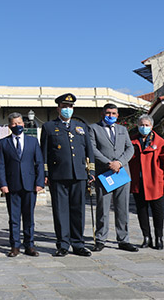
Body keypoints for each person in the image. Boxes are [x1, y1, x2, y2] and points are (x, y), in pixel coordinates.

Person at [40, 93, 95, 257]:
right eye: (64, 107)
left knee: (78, 211)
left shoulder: (81, 127)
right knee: (60, 211)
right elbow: (44, 153)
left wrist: (91, 171)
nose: (67, 109)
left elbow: (89, 151)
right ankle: (63, 244)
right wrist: (45, 173)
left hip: (79, 175)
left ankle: (78, 244)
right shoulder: (49, 127)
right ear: (58, 108)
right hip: (58, 175)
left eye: (70, 107)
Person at [89, 103, 137, 252]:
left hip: (121, 173)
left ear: (117, 115)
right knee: (103, 208)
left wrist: (119, 163)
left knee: (122, 208)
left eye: (114, 113)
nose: (111, 116)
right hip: (104, 173)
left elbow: (130, 148)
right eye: (108, 113)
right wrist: (109, 163)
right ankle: (100, 239)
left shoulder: (122, 130)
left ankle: (123, 240)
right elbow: (92, 149)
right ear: (103, 114)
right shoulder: (94, 128)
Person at [0, 112, 44, 257]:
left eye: (19, 123)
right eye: (14, 124)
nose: (17, 126)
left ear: (23, 124)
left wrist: (40, 182)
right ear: (10, 126)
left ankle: (29, 245)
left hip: (30, 184)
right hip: (12, 185)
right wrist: (3, 184)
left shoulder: (32, 141)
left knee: (29, 217)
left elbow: (39, 163)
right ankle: (15, 245)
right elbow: (0, 165)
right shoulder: (3, 143)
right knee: (14, 218)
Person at [128, 114, 164, 250]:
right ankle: (146, 237)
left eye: (146, 125)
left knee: (157, 211)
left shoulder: (160, 142)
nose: (144, 127)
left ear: (151, 126)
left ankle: (159, 238)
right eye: (141, 125)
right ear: (137, 126)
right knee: (141, 210)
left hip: (155, 181)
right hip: (138, 182)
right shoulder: (132, 141)